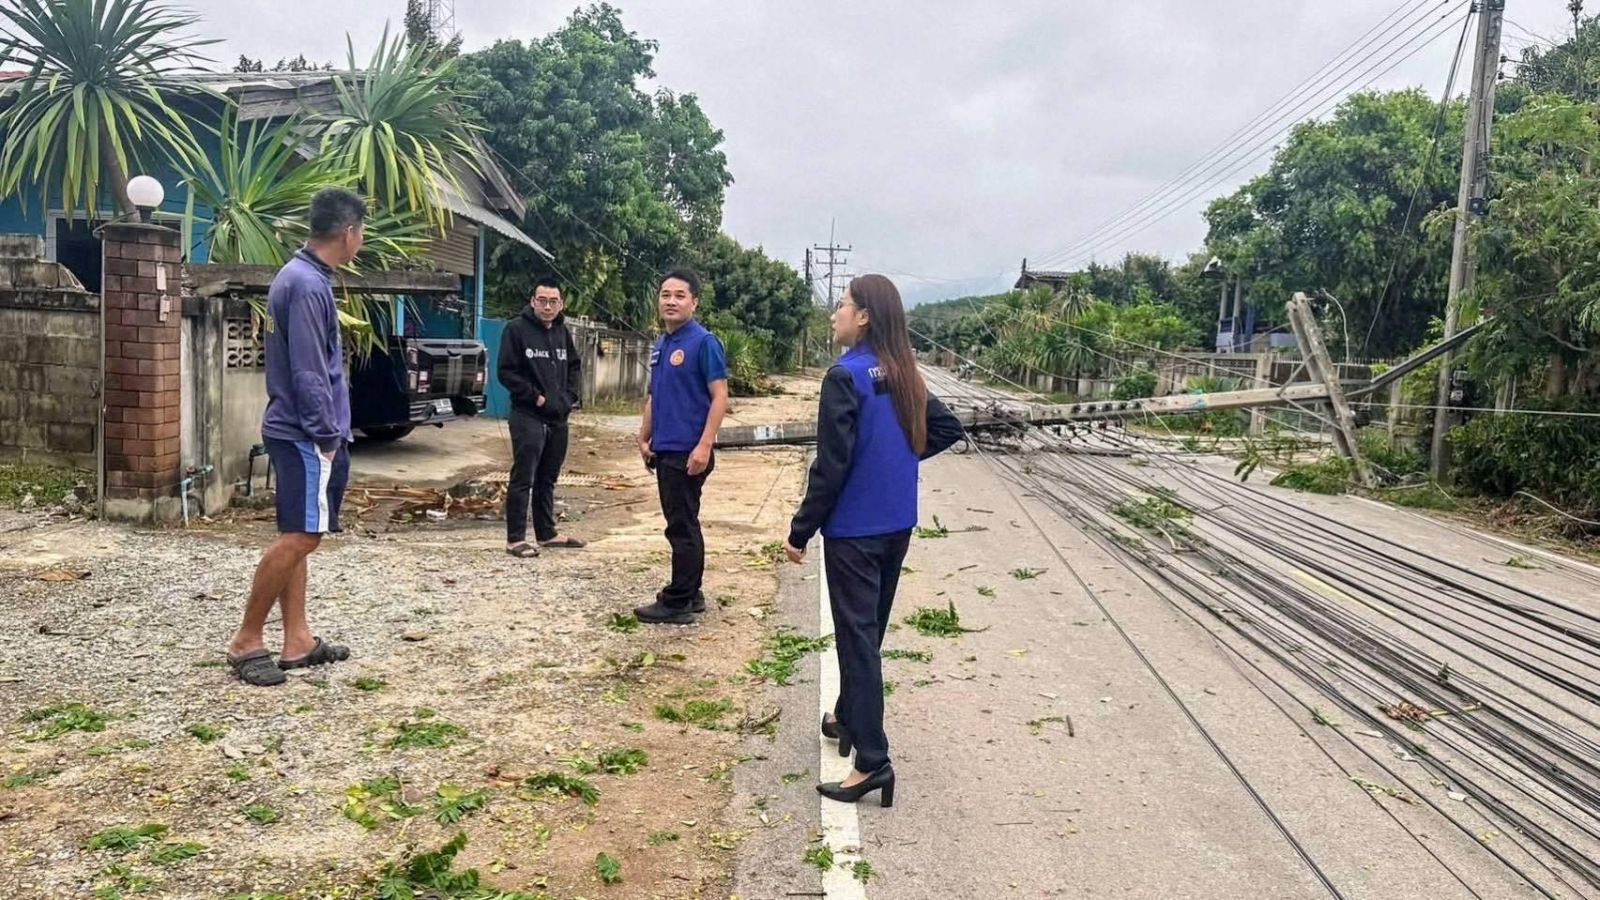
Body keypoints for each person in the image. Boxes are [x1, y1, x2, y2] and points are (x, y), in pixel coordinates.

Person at [783, 274, 966, 806]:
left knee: (856, 638)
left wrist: (800, 529)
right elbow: (947, 428)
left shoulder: (845, 376)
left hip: (855, 530)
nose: (834, 313)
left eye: (842, 305)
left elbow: (832, 465)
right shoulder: (902, 371)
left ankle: (872, 760)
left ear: (863, 316)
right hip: (896, 524)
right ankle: (847, 715)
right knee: (868, 633)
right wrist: (896, 459)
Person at [225, 187, 366, 687]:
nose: (361, 240)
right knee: (302, 536)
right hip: (306, 434)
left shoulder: (300, 276)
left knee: (299, 533)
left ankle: (298, 639)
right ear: (349, 232)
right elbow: (309, 371)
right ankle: (246, 639)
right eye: (361, 232)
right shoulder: (307, 285)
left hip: (297, 429)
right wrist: (327, 434)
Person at [633, 268, 729, 624]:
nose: (671, 301)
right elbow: (655, 395)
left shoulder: (704, 343)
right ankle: (692, 592)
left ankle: (678, 602)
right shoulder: (662, 343)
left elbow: (720, 397)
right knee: (684, 521)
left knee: (681, 526)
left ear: (694, 302)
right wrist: (644, 435)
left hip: (688, 452)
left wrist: (704, 446)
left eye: (680, 295)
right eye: (665, 295)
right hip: (666, 448)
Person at [497, 277, 586, 557]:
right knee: (524, 476)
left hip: (558, 417)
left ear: (561, 304)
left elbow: (574, 366)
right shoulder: (516, 329)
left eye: (553, 301)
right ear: (533, 301)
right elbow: (506, 372)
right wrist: (536, 397)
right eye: (543, 301)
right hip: (528, 415)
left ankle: (547, 534)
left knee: (548, 477)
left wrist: (569, 397)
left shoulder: (562, 332)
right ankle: (515, 540)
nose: (548, 307)